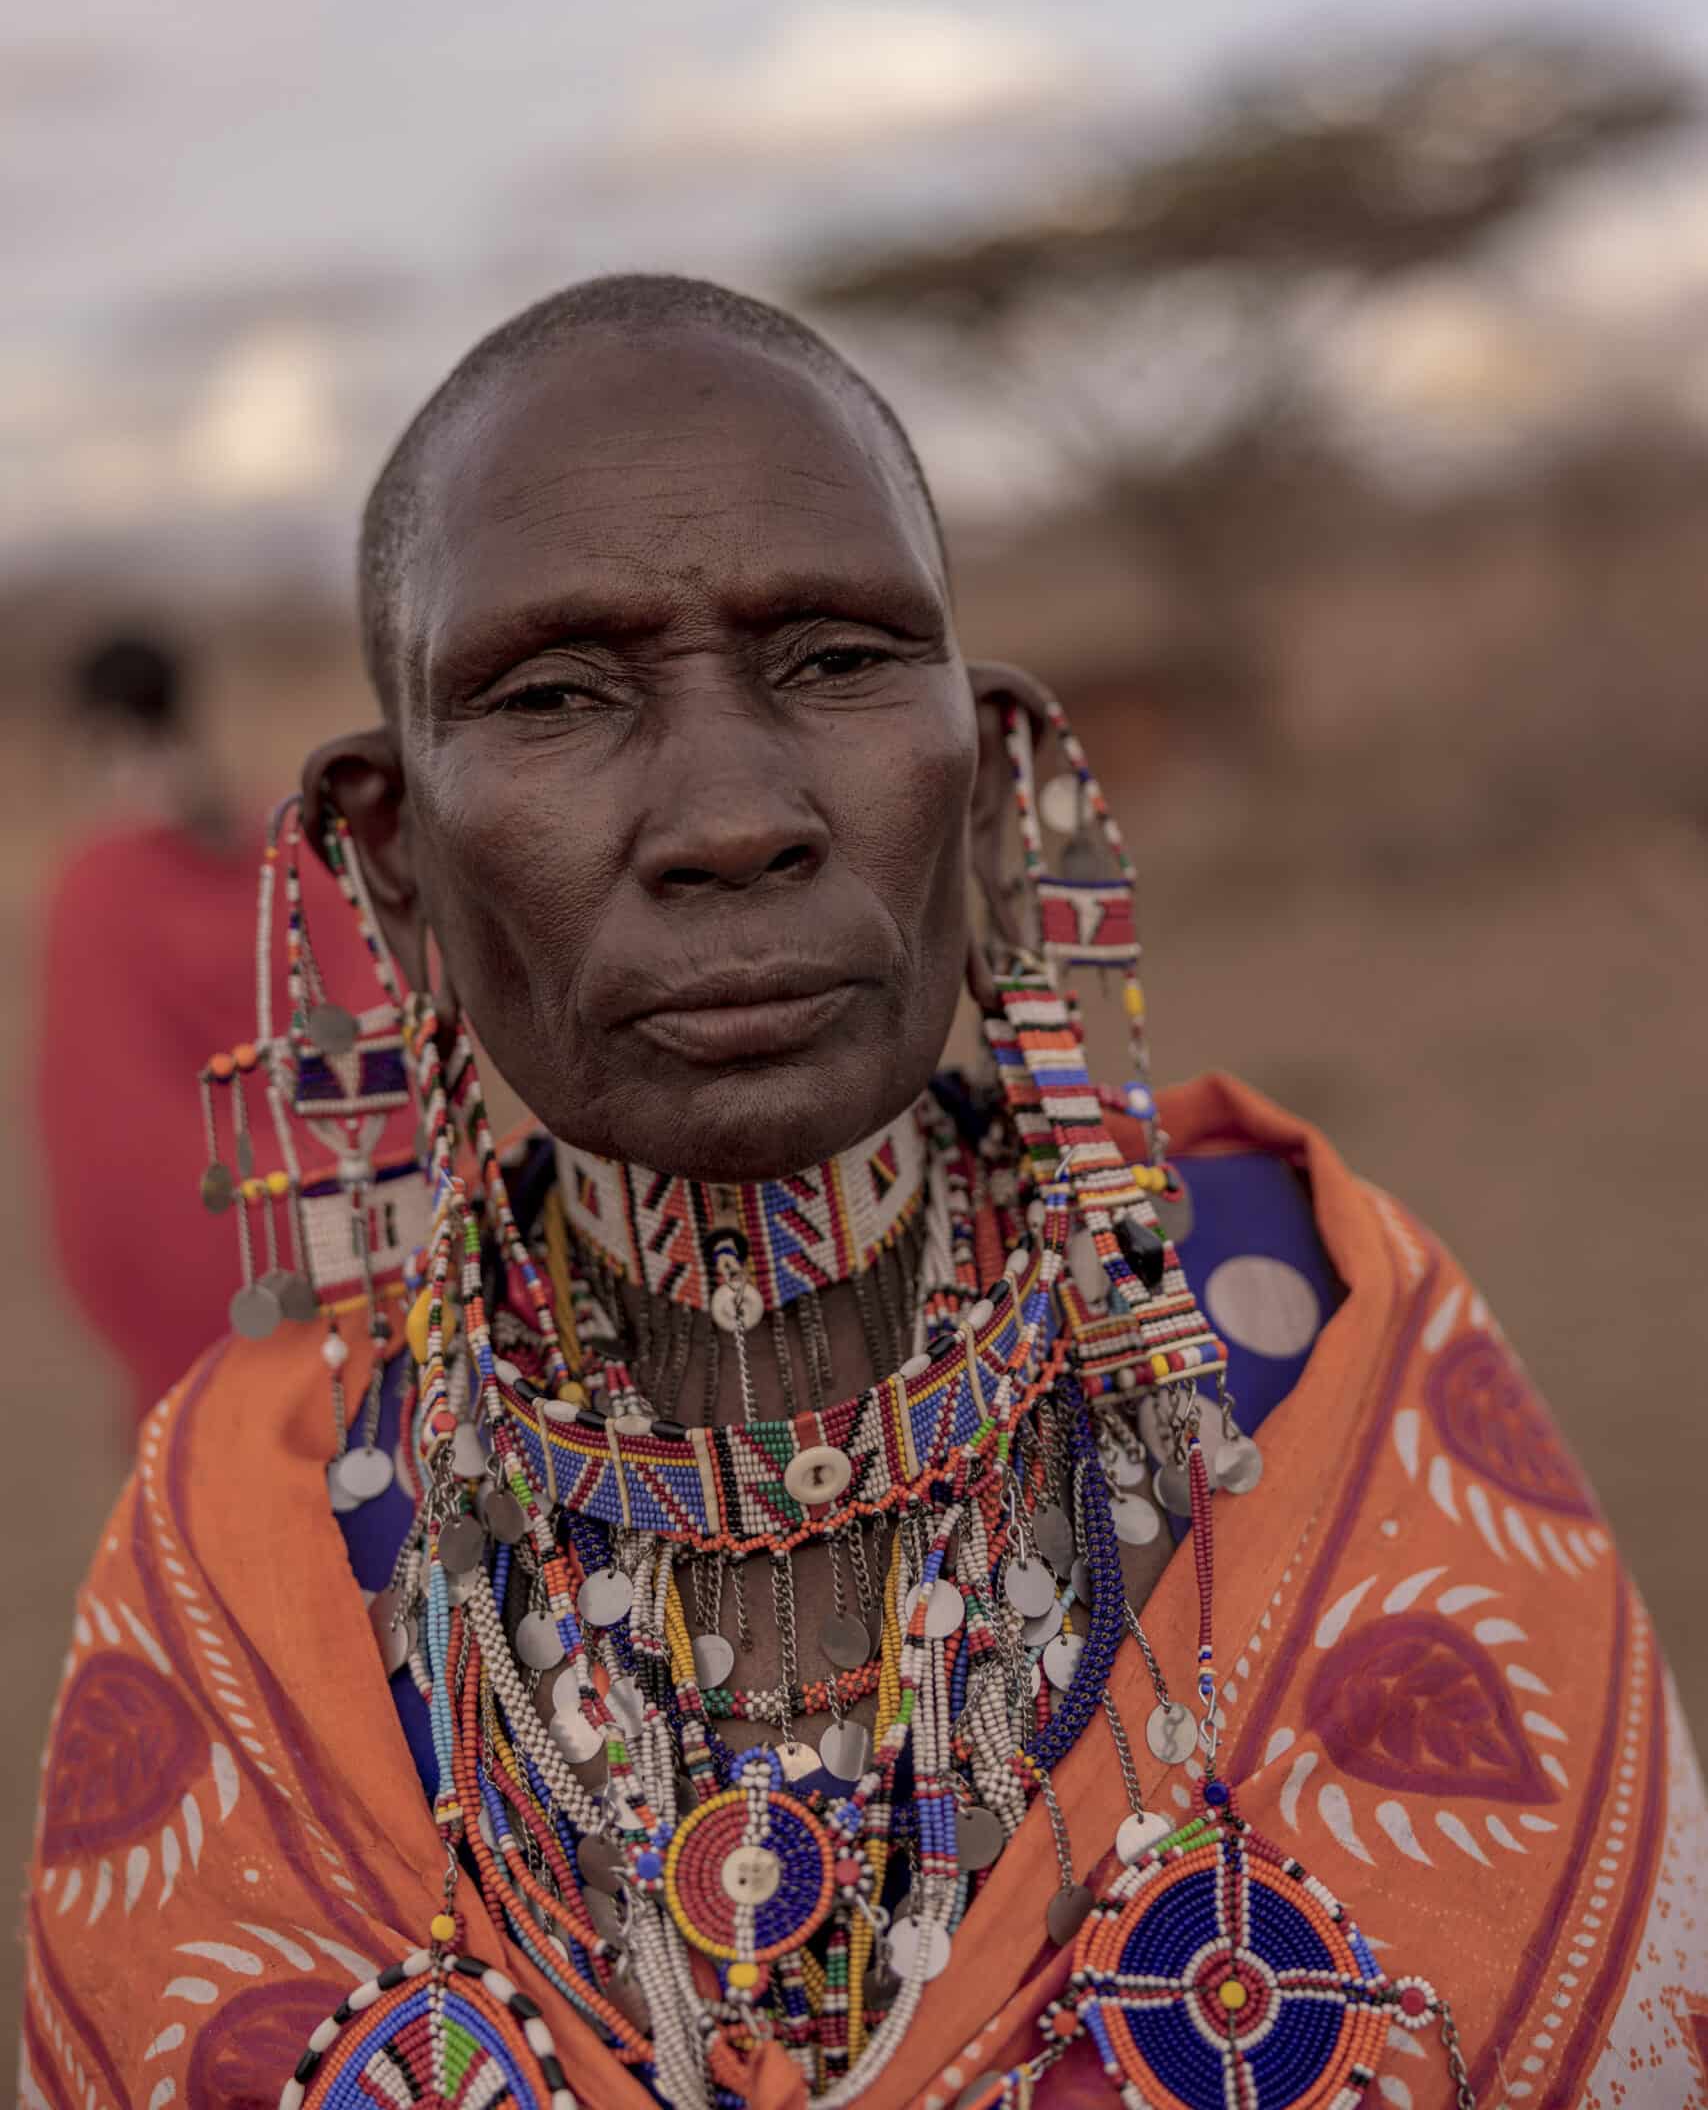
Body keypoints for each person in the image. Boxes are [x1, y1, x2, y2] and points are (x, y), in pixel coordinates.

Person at [24, 277, 1708, 2110]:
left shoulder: (1325, 1361)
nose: (731, 816)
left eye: (833, 658)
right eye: (553, 694)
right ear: (390, 858)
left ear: (985, 783)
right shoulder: (248, 1540)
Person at [34, 632, 388, 1419]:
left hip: (211, 1262)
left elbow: (107, 1127)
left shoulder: (96, 884)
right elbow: (368, 1021)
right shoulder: (286, 839)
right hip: (354, 1231)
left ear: (89, 730)